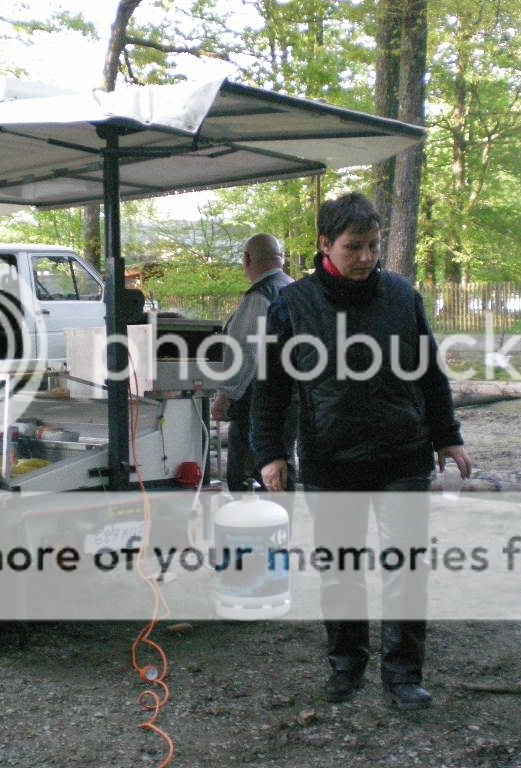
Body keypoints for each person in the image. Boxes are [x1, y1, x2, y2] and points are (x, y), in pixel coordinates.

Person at [250, 192, 472, 710]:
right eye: (355, 247)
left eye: (374, 246)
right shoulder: (293, 304)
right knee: (341, 570)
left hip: (403, 454)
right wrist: (270, 452)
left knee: (406, 569)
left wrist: (449, 436)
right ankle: (346, 666)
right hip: (331, 459)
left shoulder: (400, 295)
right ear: (326, 244)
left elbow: (431, 373)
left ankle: (403, 675)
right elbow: (272, 387)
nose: (367, 257)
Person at [210, 234, 297, 498]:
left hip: (256, 403)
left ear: (247, 260)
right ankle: (281, 531)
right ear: (280, 259)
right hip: (292, 398)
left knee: (244, 474)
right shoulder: (295, 290)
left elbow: (244, 351)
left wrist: (226, 395)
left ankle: (247, 534)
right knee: (283, 467)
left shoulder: (260, 296)